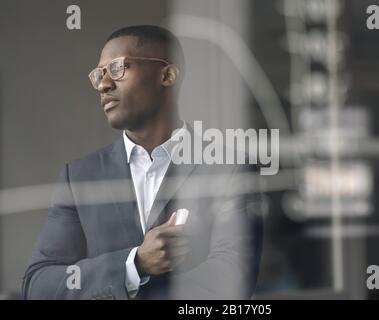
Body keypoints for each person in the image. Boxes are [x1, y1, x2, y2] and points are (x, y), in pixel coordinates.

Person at [22, 25, 262, 300]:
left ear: (167, 75)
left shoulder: (228, 166)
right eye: (99, 75)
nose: (103, 84)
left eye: (117, 69)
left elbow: (232, 280)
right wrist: (134, 265)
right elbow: (38, 284)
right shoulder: (79, 178)